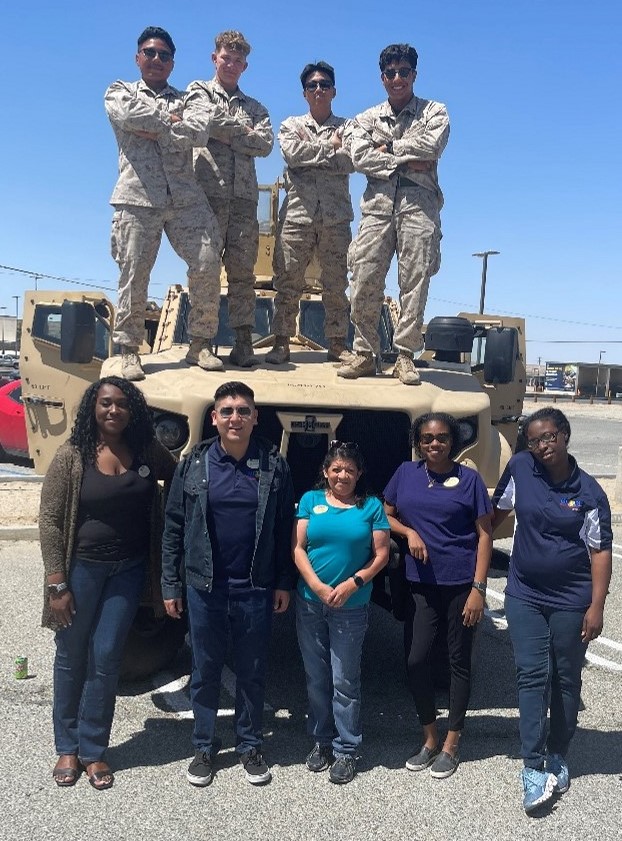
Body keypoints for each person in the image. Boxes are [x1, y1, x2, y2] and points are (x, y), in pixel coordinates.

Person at [39, 376, 177, 789]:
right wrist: (56, 583)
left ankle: (94, 751)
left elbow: (180, 476)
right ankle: (67, 745)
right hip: (80, 569)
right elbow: (48, 519)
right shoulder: (73, 456)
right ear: (93, 409)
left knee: (107, 656)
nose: (113, 410)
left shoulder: (148, 451)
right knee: (71, 654)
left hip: (129, 569)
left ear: (132, 409)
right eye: (105, 403)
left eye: (121, 403)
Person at [161, 381, 295, 786]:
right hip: (205, 587)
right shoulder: (194, 464)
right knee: (205, 668)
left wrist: (283, 583)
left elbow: (284, 530)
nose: (234, 417)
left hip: (255, 586)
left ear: (255, 418)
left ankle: (250, 744)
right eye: (227, 410)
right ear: (214, 418)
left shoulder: (274, 465)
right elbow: (174, 527)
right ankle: (204, 746)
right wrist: (171, 583)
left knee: (252, 669)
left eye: (242, 410)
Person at [492, 407, 612, 815]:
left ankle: (558, 752)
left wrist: (596, 606)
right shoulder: (521, 467)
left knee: (565, 676)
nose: (542, 445)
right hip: (524, 593)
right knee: (530, 674)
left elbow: (600, 553)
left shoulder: (591, 493)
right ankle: (531, 765)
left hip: (571, 600)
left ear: (564, 436)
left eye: (549, 437)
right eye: (534, 439)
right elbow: (496, 513)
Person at [105, 26, 233, 381]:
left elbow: (198, 132)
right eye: (150, 52)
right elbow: (128, 116)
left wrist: (155, 126)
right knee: (134, 272)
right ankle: (130, 349)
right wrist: (169, 122)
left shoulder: (190, 97)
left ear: (173, 63)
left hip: (185, 198)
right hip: (137, 197)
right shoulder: (119, 91)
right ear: (138, 58)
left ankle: (200, 343)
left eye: (164, 55)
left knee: (208, 261)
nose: (156, 59)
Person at [383, 413, 492, 778]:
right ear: (418, 441)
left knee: (458, 662)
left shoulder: (469, 480)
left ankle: (451, 742)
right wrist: (409, 533)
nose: (435, 444)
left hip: (461, 585)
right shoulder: (406, 473)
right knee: (416, 660)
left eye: (442, 437)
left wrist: (479, 589)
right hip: (420, 583)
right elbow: (385, 514)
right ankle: (429, 737)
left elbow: (484, 536)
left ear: (452, 441)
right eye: (427, 438)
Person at [337, 43, 449, 385]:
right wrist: (408, 160)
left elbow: (433, 146)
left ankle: (404, 356)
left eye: (404, 72)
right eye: (390, 73)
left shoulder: (435, 111)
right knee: (364, 280)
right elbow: (358, 157)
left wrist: (388, 149)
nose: (397, 78)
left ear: (414, 74)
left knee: (414, 282)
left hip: (419, 206)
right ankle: (365, 353)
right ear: (382, 77)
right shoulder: (365, 119)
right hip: (377, 208)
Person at [293, 441, 389, 783]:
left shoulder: (371, 506)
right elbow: (298, 549)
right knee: (316, 676)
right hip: (310, 601)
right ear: (325, 472)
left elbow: (381, 555)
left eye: (349, 469)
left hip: (351, 606)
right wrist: (317, 587)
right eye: (336, 469)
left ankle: (347, 748)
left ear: (359, 473)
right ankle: (321, 740)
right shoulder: (310, 501)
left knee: (344, 679)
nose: (342, 475)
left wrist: (353, 583)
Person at [188, 31, 274, 369]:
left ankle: (242, 343)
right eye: (227, 57)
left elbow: (265, 145)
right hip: (206, 196)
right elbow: (203, 122)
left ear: (245, 65)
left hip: (243, 202)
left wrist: (223, 132)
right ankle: (201, 342)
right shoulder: (198, 92)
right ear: (215, 58)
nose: (232, 64)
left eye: (239, 61)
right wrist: (243, 133)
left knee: (243, 275)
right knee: (205, 269)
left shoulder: (256, 107)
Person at [265, 61, 353, 366]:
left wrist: (313, 151)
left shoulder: (349, 128)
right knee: (287, 282)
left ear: (334, 91)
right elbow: (293, 155)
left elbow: (350, 160)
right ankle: (280, 343)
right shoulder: (290, 125)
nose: (319, 89)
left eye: (324, 84)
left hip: (335, 218)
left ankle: (338, 345)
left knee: (336, 284)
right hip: (297, 216)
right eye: (312, 85)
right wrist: (330, 147)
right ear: (305, 93)